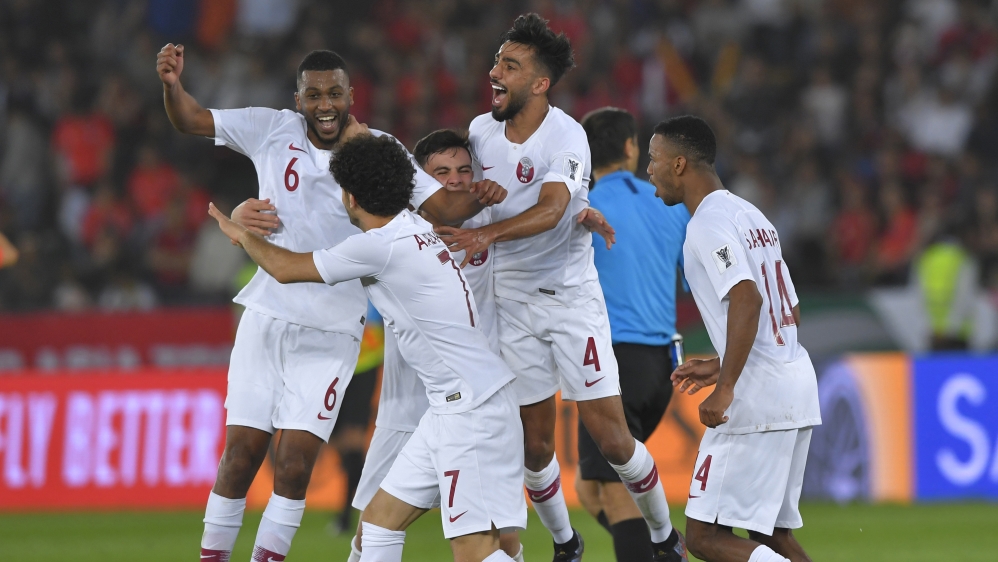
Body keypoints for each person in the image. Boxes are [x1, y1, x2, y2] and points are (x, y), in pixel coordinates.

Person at [157, 45, 506, 562]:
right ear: (297, 99)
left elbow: (442, 206)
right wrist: (170, 85)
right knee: (239, 457)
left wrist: (486, 198)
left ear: (350, 97)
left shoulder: (379, 151)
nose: (325, 104)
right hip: (267, 317)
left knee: (295, 464)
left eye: (335, 93)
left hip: (335, 325)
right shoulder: (271, 128)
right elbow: (188, 118)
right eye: (314, 94)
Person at [208, 134, 527, 562]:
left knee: (475, 552)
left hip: (472, 410)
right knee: (376, 528)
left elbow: (285, 268)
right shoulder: (414, 228)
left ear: (350, 196)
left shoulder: (379, 247)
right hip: (454, 406)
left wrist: (240, 233)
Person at [439, 14, 686, 562]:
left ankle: (666, 536)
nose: (494, 72)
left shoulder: (567, 134)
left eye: (510, 65)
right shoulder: (480, 132)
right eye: (497, 62)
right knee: (535, 445)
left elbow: (552, 208)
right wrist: (472, 202)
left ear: (540, 83)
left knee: (615, 440)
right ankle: (565, 543)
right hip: (512, 304)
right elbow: (459, 195)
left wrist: (491, 234)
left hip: (571, 303)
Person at [346, 128, 613, 562]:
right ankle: (565, 541)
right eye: (441, 173)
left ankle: (565, 543)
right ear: (421, 184)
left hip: (472, 401)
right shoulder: (400, 232)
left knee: (498, 539)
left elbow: (544, 215)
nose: (454, 180)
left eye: (464, 170)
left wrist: (579, 217)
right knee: (370, 532)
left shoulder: (490, 221)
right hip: (408, 404)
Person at [649, 115, 821, 562]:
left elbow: (747, 299)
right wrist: (719, 362)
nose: (649, 169)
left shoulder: (707, 224)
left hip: (757, 397)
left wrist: (725, 388)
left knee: (704, 538)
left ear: (680, 164)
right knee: (773, 539)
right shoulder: (753, 215)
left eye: (654, 159)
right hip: (795, 381)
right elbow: (790, 310)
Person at [575, 107, 691, 562]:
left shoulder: (580, 209)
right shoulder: (668, 205)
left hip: (613, 361)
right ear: (629, 147)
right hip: (662, 362)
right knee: (591, 489)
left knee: (615, 492)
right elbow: (690, 279)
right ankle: (662, 546)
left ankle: (663, 549)